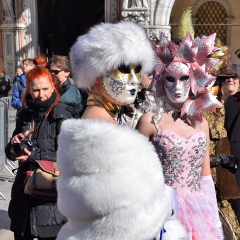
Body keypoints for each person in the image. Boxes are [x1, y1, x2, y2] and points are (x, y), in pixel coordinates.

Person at [56, 21, 188, 240]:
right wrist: (163, 203)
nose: (135, 80)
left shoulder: (102, 120)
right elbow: (124, 222)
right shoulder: (100, 128)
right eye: (125, 70)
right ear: (97, 75)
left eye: (138, 70)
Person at [136, 32, 223, 239]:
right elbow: (136, 173)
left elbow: (205, 177)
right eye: (170, 79)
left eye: (184, 78)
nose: (177, 87)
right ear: (160, 81)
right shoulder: (150, 121)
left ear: (194, 80)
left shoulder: (201, 123)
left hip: (198, 213)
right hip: (163, 213)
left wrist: (213, 218)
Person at [5, 67, 73, 240]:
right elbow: (11, 151)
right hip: (24, 193)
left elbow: (70, 155)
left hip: (49, 196)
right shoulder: (25, 115)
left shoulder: (62, 114)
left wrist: (34, 155)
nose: (41, 94)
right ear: (29, 88)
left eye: (45, 89)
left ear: (52, 86)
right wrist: (14, 146)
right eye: (35, 90)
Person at [223, 64, 240, 225]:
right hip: (219, 157)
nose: (230, 79)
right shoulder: (212, 103)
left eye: (234, 76)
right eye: (225, 77)